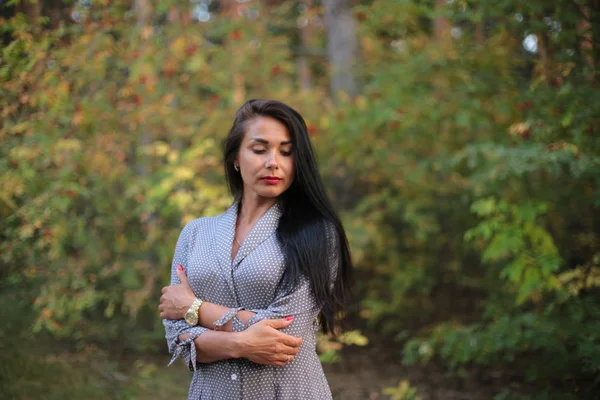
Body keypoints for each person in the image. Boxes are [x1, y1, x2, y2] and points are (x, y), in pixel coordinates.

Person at [159, 99, 352, 399]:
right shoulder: (195, 234)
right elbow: (179, 340)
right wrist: (244, 342)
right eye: (259, 150)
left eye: (286, 152)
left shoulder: (317, 234)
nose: (273, 162)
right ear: (236, 157)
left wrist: (194, 308)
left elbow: (285, 338)